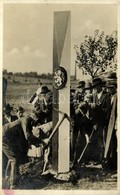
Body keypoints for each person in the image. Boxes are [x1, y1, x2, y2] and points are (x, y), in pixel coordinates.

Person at [2, 112, 49, 188]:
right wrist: (42, 141)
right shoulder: (26, 120)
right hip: (4, 137)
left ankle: (7, 178)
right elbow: (28, 136)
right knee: (14, 159)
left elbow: (25, 138)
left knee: (11, 157)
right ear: (35, 118)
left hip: (7, 137)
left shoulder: (26, 121)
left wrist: (34, 143)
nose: (36, 125)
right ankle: (13, 184)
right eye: (36, 122)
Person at [89, 77, 111, 164]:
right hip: (96, 123)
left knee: (104, 141)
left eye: (96, 87)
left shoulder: (106, 95)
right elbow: (92, 111)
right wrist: (94, 122)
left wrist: (98, 107)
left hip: (103, 122)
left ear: (100, 86)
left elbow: (107, 110)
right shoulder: (94, 96)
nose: (95, 89)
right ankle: (98, 159)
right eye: (94, 87)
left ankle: (104, 159)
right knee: (97, 141)